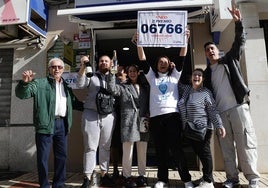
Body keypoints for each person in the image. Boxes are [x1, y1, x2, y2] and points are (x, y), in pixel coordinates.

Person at [203, 3, 260, 188]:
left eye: (212, 48)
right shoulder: (206, 73)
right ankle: (232, 178)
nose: (210, 51)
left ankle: (253, 178)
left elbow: (240, 41)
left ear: (216, 50)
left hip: (238, 108)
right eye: (207, 50)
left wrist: (239, 23)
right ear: (205, 54)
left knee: (245, 144)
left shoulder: (229, 60)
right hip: (220, 113)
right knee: (226, 148)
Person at [134, 30, 194, 188]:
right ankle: (162, 180)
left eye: (165, 62)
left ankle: (186, 179)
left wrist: (184, 40)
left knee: (176, 149)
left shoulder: (175, 76)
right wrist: (140, 42)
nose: (163, 64)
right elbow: (142, 59)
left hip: (172, 116)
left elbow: (182, 57)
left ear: (169, 65)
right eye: (160, 62)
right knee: (160, 150)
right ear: (157, 65)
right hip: (155, 118)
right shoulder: (151, 77)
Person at [15, 57, 83, 188]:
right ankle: (44, 185)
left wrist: (90, 106)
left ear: (63, 69)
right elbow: (22, 94)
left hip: (62, 125)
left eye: (59, 67)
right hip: (45, 125)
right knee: (43, 158)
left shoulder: (66, 86)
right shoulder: (39, 83)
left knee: (61, 157)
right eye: (53, 67)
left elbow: (74, 103)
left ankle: (59, 184)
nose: (56, 69)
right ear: (49, 69)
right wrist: (24, 83)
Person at [178, 68, 226, 188]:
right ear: (191, 78)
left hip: (203, 129)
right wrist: (173, 69)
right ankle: (205, 177)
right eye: (195, 74)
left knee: (205, 154)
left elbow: (212, 110)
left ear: (202, 79)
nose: (197, 77)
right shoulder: (186, 90)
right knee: (196, 153)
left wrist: (219, 125)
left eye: (199, 75)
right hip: (189, 128)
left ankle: (209, 181)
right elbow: (175, 82)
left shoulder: (206, 92)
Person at [107, 64, 150, 188]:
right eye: (130, 71)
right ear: (127, 73)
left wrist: (149, 113)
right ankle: (127, 176)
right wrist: (111, 73)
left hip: (143, 121)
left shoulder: (145, 87)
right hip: (128, 121)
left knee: (142, 149)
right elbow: (112, 89)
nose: (132, 73)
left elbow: (149, 102)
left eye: (134, 71)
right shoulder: (122, 87)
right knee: (128, 151)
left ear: (138, 73)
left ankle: (142, 175)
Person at [77, 55, 116, 188]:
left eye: (106, 61)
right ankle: (87, 176)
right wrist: (83, 66)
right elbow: (80, 84)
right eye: (101, 61)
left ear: (111, 63)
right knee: (90, 147)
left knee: (106, 146)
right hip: (91, 114)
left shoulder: (115, 76)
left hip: (108, 115)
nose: (104, 63)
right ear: (97, 63)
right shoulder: (91, 75)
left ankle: (104, 174)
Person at [110, 65, 127, 180]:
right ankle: (115, 168)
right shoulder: (113, 85)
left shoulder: (130, 85)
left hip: (127, 118)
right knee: (114, 145)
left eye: (120, 74)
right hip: (114, 117)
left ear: (126, 74)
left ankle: (126, 170)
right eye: (117, 75)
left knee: (126, 145)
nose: (118, 77)